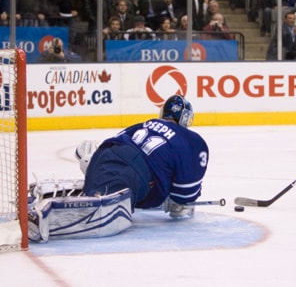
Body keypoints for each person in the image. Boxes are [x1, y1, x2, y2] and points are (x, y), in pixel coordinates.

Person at [28, 95, 209, 242]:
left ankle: (54, 184)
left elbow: (115, 139)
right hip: (135, 171)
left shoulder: (144, 124)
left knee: (98, 187)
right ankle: (43, 219)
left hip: (104, 154)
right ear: (185, 119)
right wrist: (177, 202)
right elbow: (184, 196)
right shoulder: (191, 140)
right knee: (102, 211)